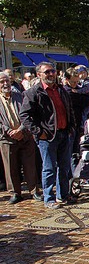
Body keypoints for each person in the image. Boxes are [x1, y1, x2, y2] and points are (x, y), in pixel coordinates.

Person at [20, 62, 76, 209]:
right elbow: (24, 116)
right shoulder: (34, 92)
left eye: (53, 71)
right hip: (47, 137)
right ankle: (49, 198)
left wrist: (71, 127)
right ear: (39, 74)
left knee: (64, 167)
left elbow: (69, 109)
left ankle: (63, 195)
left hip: (64, 133)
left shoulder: (61, 90)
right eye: (47, 72)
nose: (51, 74)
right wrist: (39, 132)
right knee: (49, 168)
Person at [0, 72, 41, 204]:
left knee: (30, 165)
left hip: (25, 136)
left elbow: (28, 113)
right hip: (6, 138)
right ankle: (15, 193)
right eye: (2, 81)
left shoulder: (20, 96)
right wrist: (9, 131)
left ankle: (34, 191)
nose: (6, 84)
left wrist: (21, 130)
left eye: (7, 81)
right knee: (10, 167)